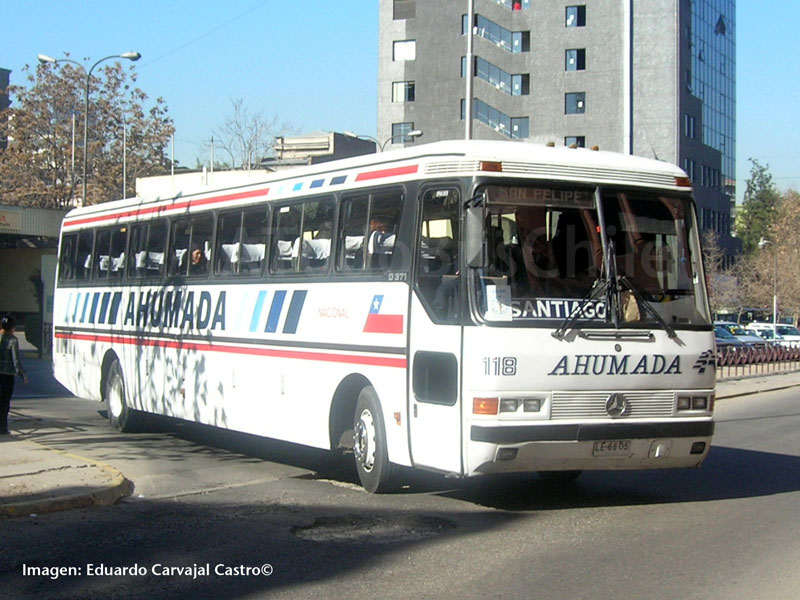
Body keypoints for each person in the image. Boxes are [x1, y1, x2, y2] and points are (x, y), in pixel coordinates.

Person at [0, 315, 28, 435]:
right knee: (5, 402)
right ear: (12, 327)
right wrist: (22, 374)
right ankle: (3, 427)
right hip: (7, 375)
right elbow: (16, 360)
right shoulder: (13, 340)